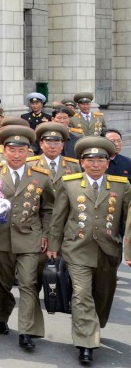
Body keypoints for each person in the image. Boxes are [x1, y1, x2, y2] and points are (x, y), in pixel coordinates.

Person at [47, 136, 131, 365]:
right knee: (82, 294)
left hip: (108, 250)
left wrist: (128, 250)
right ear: (82, 162)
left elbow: (128, 220)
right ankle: (86, 343)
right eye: (90, 160)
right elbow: (58, 217)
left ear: (108, 162)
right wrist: (53, 245)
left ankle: (95, 323)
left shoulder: (121, 185)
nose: (95, 164)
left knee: (103, 294)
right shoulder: (70, 183)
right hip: (77, 249)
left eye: (100, 160)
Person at [0, 126, 52, 350]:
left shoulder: (41, 177)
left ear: (29, 152)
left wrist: (46, 233)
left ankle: (27, 331)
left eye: (21, 150)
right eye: (11, 149)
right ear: (3, 150)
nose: (16, 154)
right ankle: (1, 317)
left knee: (28, 283)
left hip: (29, 237)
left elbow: (48, 208)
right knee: (2, 284)